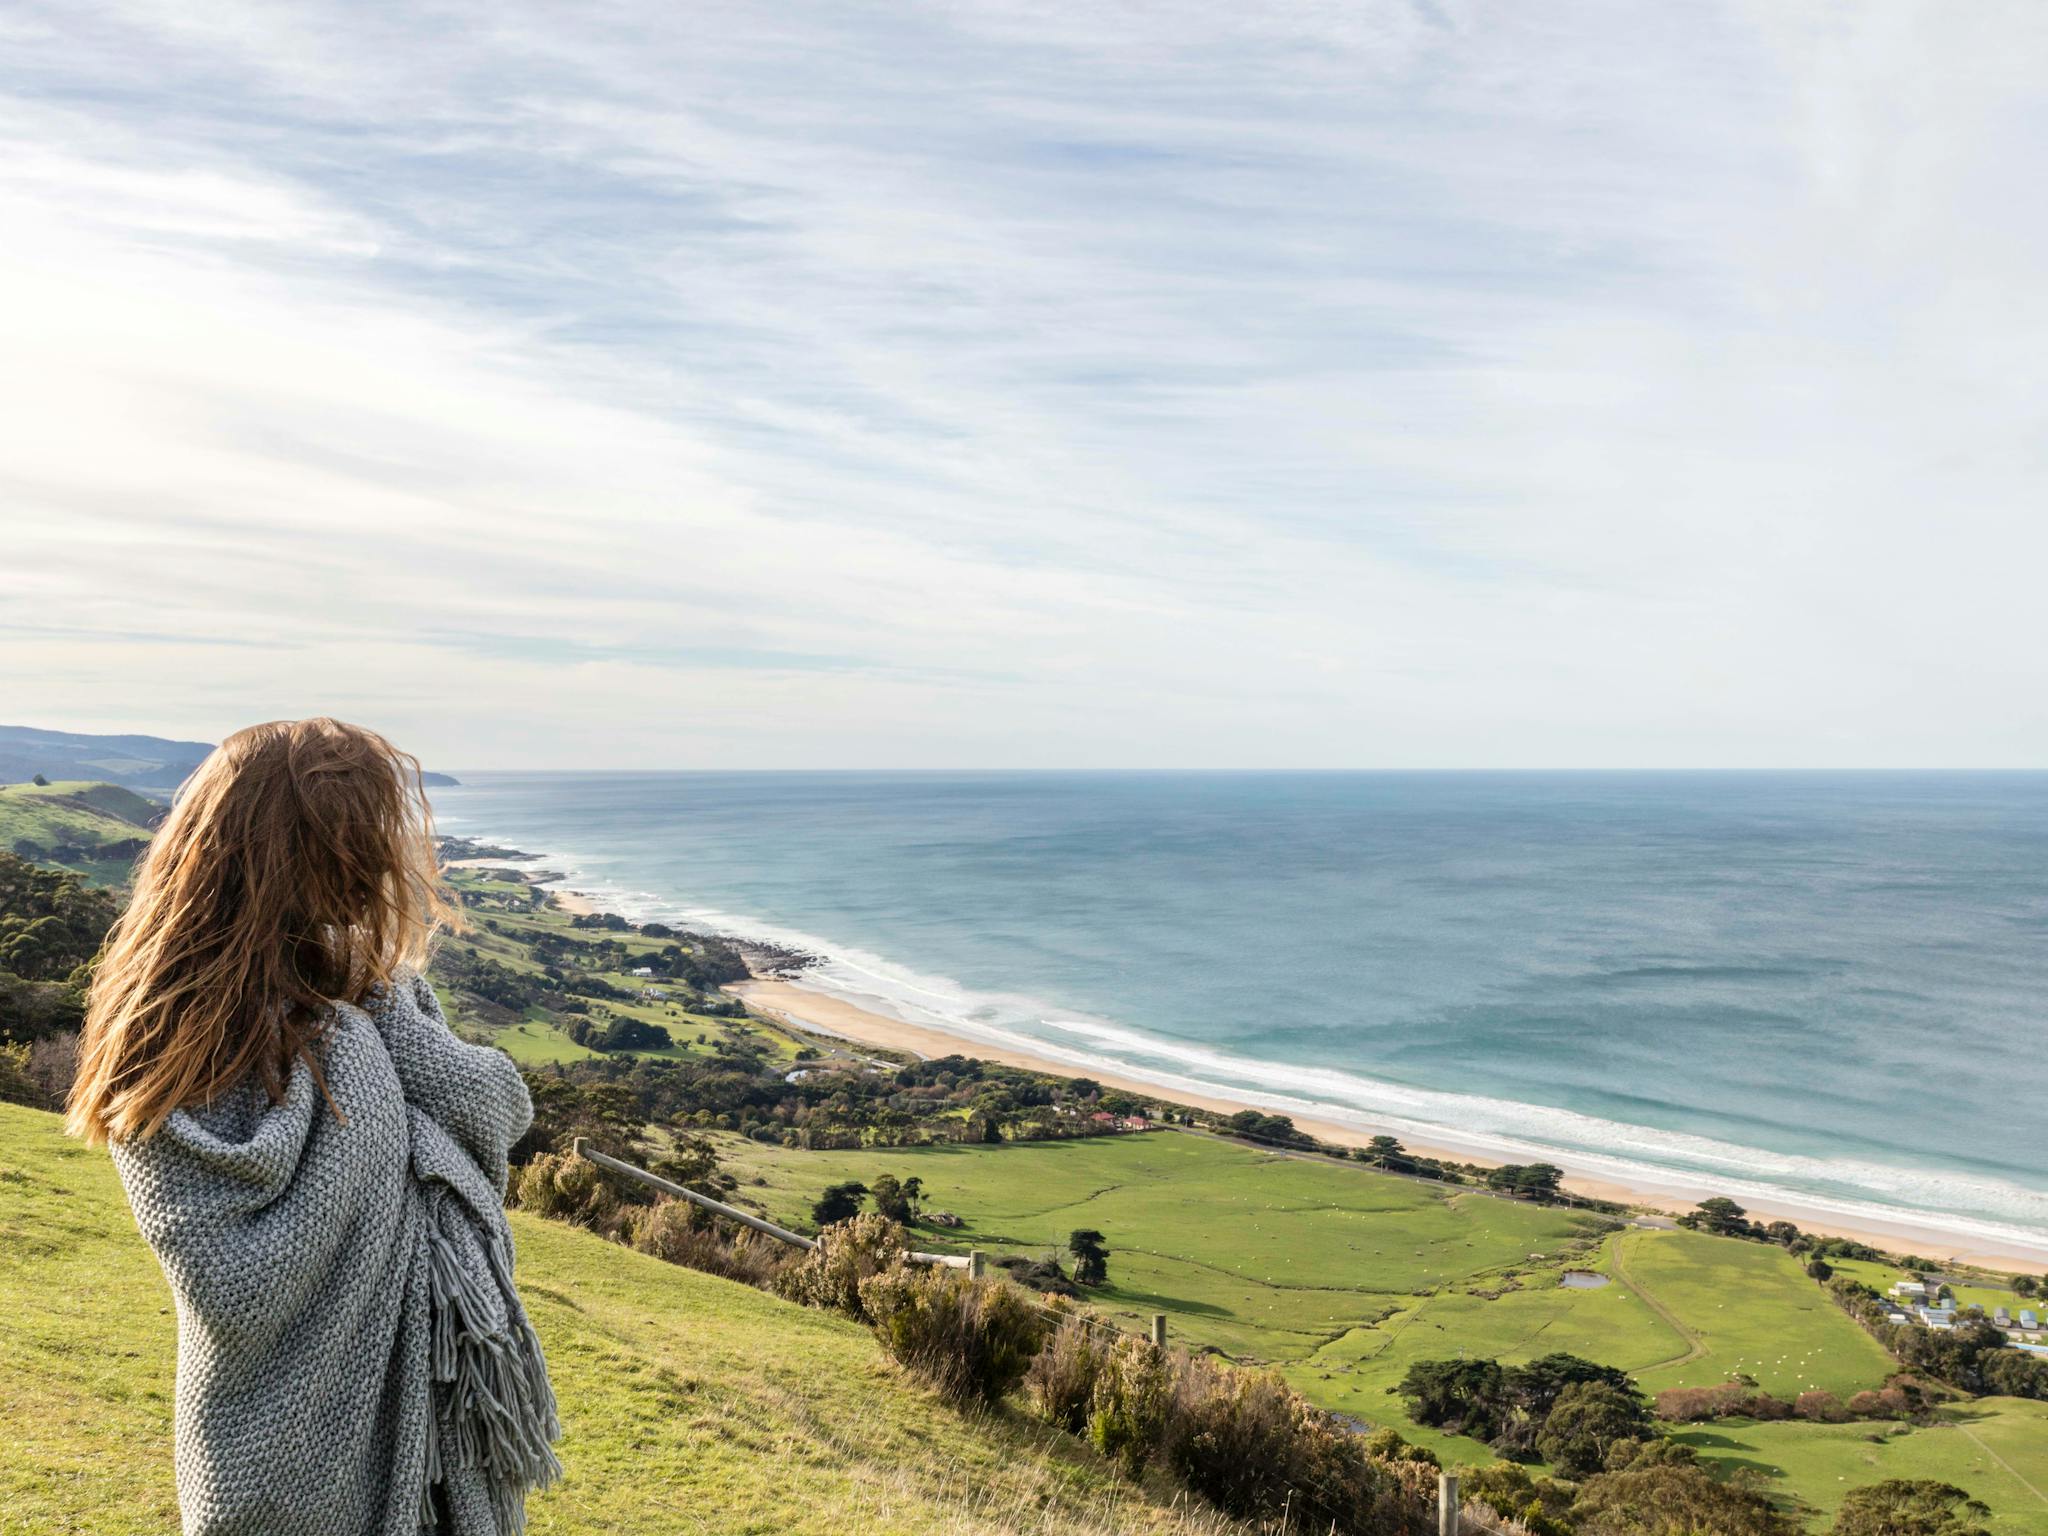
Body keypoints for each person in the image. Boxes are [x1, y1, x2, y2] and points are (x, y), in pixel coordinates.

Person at [67, 718, 559, 1536]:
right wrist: (365, 1037)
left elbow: (496, 1107)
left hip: (428, 1460)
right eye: (360, 839)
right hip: (278, 1469)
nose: (380, 866)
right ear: (307, 856)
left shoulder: (375, 1010)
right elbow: (235, 1280)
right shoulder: (182, 1044)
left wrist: (373, 1019)